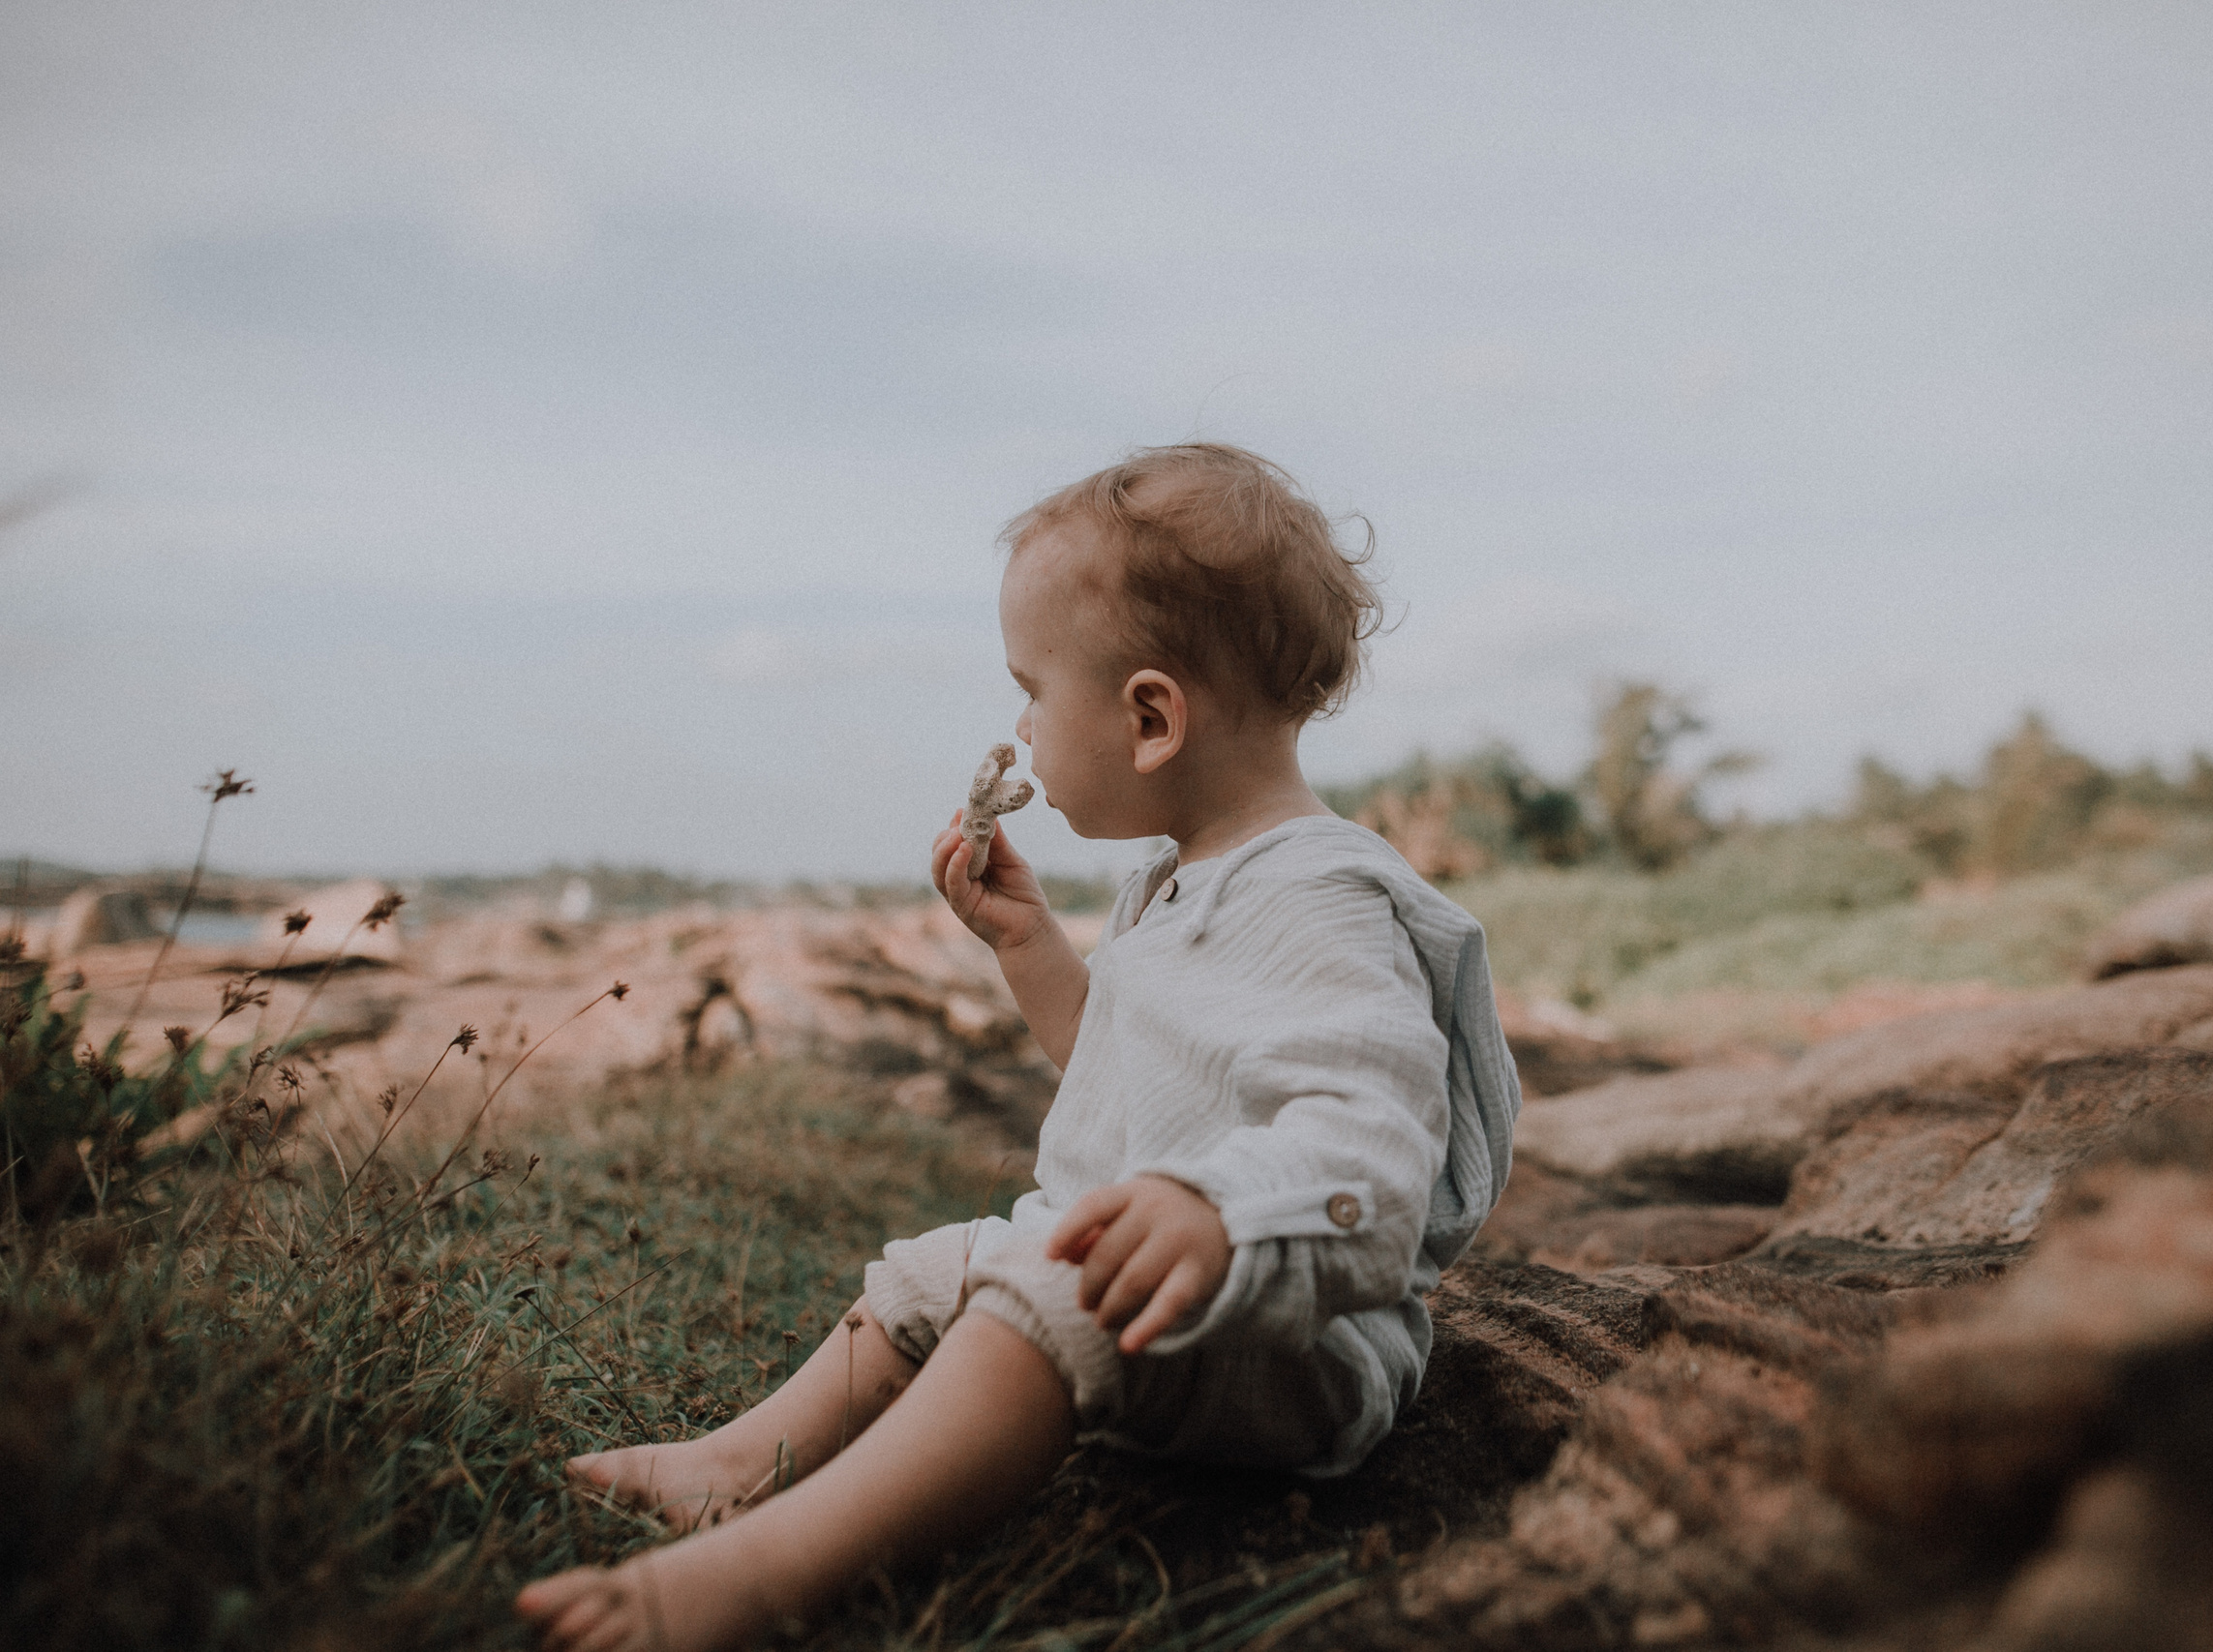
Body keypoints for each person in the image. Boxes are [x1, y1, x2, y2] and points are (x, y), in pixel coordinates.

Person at [516, 443, 1521, 1652]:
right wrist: (1030, 946)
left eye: (1033, 690)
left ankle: (767, 1571)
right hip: (1173, 1289)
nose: (1022, 727)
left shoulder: (1319, 895)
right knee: (951, 1263)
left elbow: (1370, 1139)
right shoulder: (1176, 878)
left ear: (1150, 716)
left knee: (1044, 1283)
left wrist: (1217, 1216)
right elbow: (1132, 1072)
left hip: (1290, 1339)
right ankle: (737, 1460)